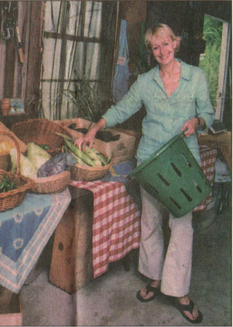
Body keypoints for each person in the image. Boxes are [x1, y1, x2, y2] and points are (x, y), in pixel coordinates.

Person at [74, 23, 215, 324]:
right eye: (155, 47)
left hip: (181, 161)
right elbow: (122, 108)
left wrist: (197, 122)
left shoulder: (196, 77)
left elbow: (208, 112)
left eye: (166, 44)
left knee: (182, 224)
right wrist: (95, 127)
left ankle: (179, 291)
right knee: (150, 220)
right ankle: (153, 278)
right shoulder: (145, 82)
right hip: (150, 160)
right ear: (151, 52)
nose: (162, 51)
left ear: (175, 43)